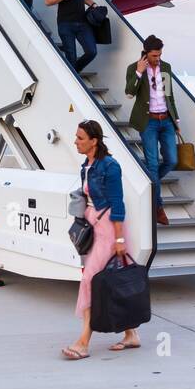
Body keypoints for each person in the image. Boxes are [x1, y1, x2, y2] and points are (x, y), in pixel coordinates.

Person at [62, 120, 140, 359]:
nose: (75, 141)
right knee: (109, 282)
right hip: (91, 227)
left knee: (90, 281)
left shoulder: (110, 166)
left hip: (107, 229)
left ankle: (84, 341)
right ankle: (131, 334)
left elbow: (118, 204)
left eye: (80, 138)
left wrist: (119, 239)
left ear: (94, 141)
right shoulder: (87, 165)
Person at [124, 35, 179, 225]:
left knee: (172, 160)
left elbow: (169, 95)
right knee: (153, 164)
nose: (158, 59)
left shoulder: (166, 67)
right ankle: (158, 206)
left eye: (160, 55)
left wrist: (176, 118)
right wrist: (139, 73)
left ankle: (149, 182)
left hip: (167, 120)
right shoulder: (134, 68)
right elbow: (129, 94)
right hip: (148, 122)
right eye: (155, 55)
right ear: (146, 53)